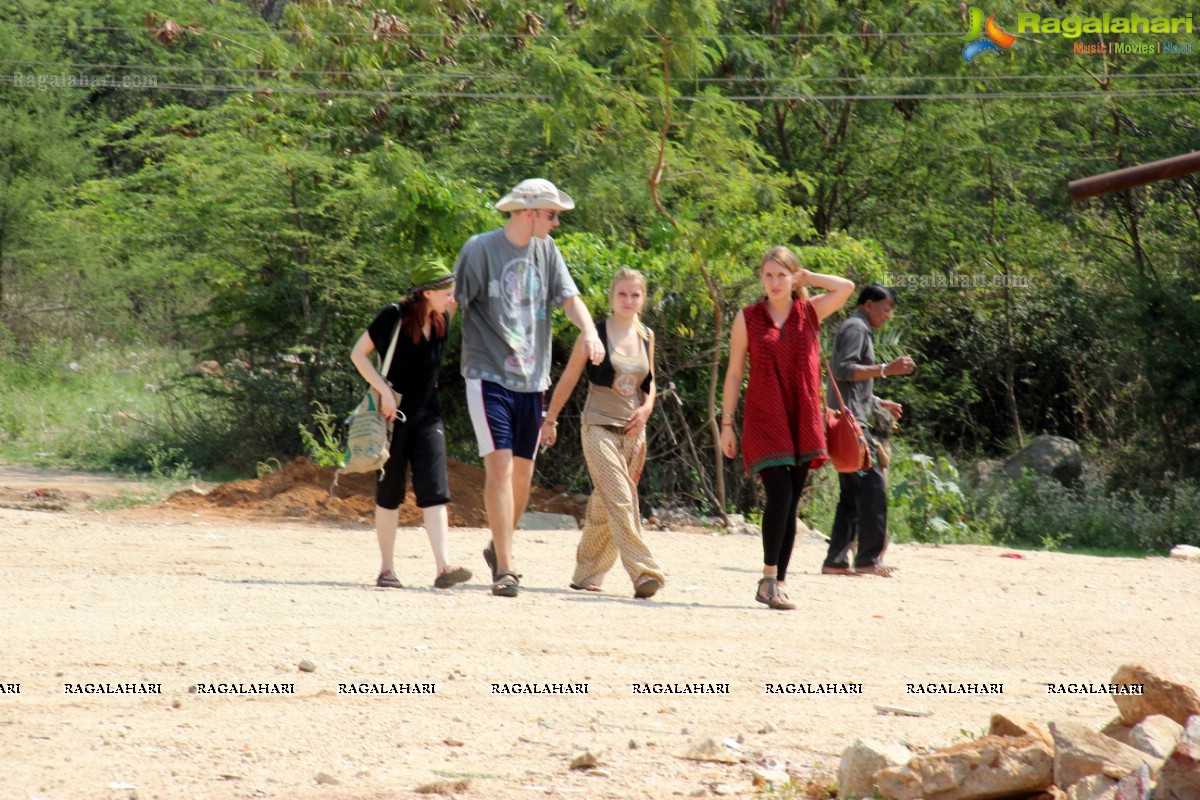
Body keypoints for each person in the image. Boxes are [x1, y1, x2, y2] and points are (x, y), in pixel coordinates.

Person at [454, 178, 604, 597]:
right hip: (488, 373)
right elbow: (453, 300)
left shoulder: (547, 251)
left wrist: (590, 330)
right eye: (552, 214)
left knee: (524, 474)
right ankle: (506, 567)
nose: (556, 223)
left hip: (532, 379)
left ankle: (497, 546)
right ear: (529, 212)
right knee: (499, 466)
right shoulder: (479, 249)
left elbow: (570, 298)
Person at [720, 246, 854, 610]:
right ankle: (767, 578)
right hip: (764, 419)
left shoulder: (809, 312)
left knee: (791, 502)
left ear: (792, 277)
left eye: (782, 274)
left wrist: (808, 278)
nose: (775, 282)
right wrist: (727, 423)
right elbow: (734, 373)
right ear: (760, 279)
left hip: (802, 416)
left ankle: (777, 582)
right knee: (778, 494)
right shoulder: (747, 317)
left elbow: (845, 287)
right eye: (768, 275)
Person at [540, 268, 665, 599]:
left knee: (603, 504)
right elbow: (568, 378)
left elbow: (650, 385)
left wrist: (647, 408)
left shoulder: (647, 336)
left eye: (635, 294)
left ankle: (587, 574)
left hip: (634, 432)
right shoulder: (593, 334)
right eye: (622, 294)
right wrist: (550, 419)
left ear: (643, 299)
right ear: (611, 297)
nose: (628, 300)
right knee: (622, 499)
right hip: (597, 426)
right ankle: (644, 572)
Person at [350, 260, 472, 590]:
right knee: (389, 494)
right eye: (447, 292)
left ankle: (444, 566)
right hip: (392, 414)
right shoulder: (394, 315)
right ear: (427, 293)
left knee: (435, 491)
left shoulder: (444, 313)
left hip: (428, 413)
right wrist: (384, 391)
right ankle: (387, 570)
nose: (453, 297)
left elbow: (471, 278)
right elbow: (358, 355)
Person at [821, 284, 915, 578]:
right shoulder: (856, 327)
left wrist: (876, 401)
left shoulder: (857, 327)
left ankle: (836, 561)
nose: (888, 316)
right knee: (873, 486)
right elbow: (843, 370)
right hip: (853, 427)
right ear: (868, 304)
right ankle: (868, 559)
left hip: (849, 421)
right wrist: (887, 369)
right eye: (886, 309)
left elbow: (852, 384)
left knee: (852, 492)